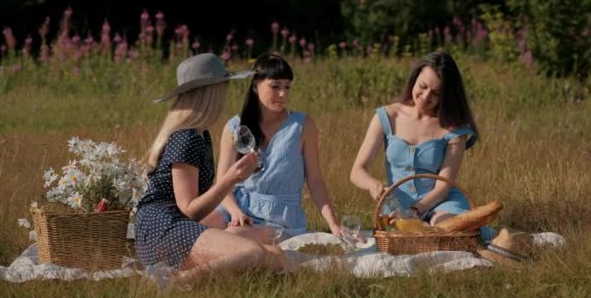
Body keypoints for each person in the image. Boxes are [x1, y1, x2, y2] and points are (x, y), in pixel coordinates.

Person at [135, 53, 284, 283]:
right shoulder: (187, 138)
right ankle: (173, 283)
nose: (225, 95)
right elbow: (188, 210)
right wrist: (231, 179)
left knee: (275, 256)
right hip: (163, 230)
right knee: (255, 254)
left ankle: (176, 275)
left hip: (168, 227)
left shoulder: (199, 133)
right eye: (223, 88)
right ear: (209, 94)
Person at [350, 52, 494, 240]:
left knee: (447, 229)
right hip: (397, 208)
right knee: (414, 233)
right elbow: (357, 171)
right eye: (423, 86)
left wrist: (418, 210)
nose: (425, 97)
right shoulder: (387, 117)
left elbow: (443, 187)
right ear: (414, 78)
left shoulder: (454, 128)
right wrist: (373, 184)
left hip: (441, 202)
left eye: (436, 93)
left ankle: (493, 237)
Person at [201, 53, 342, 240]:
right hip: (237, 207)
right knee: (195, 229)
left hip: (279, 217)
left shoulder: (302, 126)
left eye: (287, 87)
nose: (283, 94)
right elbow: (222, 184)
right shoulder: (234, 127)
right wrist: (236, 212)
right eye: (275, 86)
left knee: (233, 235)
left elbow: (315, 181)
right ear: (255, 86)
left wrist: (334, 224)